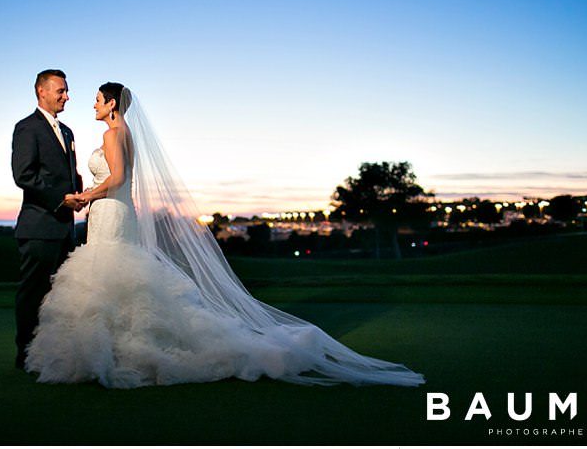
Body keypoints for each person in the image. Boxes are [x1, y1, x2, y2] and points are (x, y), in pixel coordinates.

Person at [25, 82, 424, 388]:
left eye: (97, 98)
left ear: (111, 103)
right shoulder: (123, 133)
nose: (91, 104)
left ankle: (114, 352)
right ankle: (115, 347)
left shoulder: (113, 135)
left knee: (109, 276)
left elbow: (117, 178)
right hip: (113, 211)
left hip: (110, 210)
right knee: (114, 279)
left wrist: (85, 195)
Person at [11, 69, 84, 370]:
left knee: (61, 296)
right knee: (34, 293)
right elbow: (23, 175)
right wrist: (60, 199)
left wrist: (82, 190)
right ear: (42, 91)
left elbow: (69, 175)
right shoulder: (27, 128)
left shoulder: (67, 131)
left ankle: (53, 352)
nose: (66, 96)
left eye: (67, 91)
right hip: (39, 227)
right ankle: (26, 354)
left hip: (65, 229)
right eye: (61, 90)